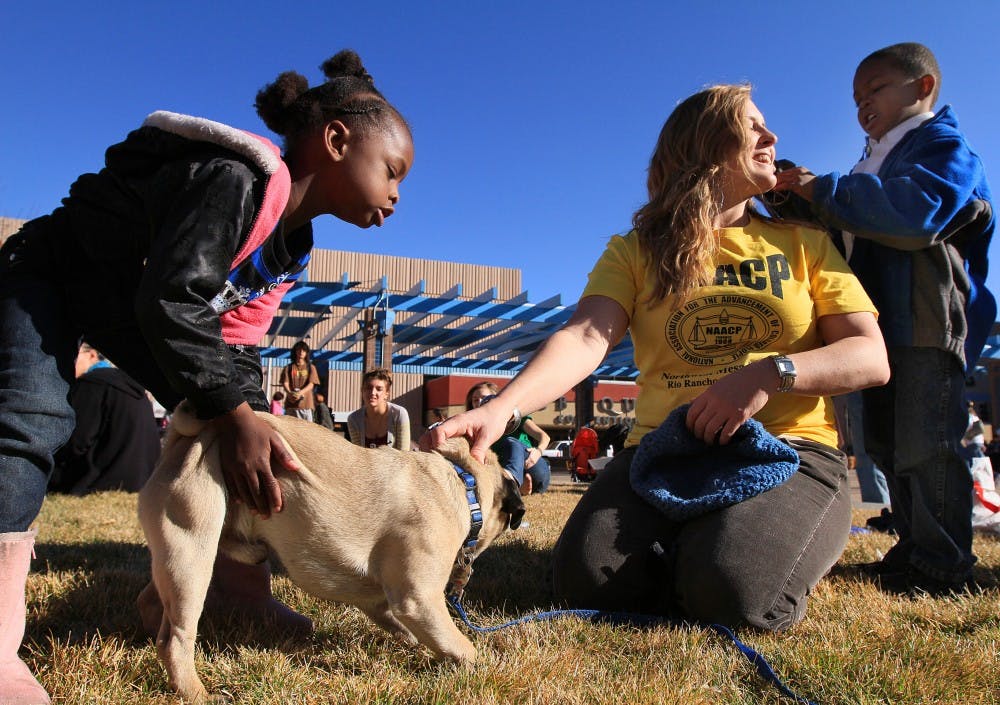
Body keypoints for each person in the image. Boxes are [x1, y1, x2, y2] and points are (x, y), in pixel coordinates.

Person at [0, 49, 413, 703]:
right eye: (393, 170)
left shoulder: (291, 242)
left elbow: (239, 339)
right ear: (336, 140)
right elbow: (171, 297)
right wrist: (237, 410)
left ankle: (234, 589)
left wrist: (248, 418)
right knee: (30, 419)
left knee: (244, 439)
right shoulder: (240, 178)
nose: (397, 193)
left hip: (128, 306)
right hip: (50, 273)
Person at [426, 84, 888, 630]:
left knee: (734, 594)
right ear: (706, 144)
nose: (773, 137)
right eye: (753, 125)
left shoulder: (804, 243)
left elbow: (870, 356)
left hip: (791, 448)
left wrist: (771, 373)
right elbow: (585, 338)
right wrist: (502, 408)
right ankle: (707, 541)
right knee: (586, 584)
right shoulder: (636, 250)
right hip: (663, 451)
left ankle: (742, 544)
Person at [774, 42, 995, 595]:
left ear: (922, 88)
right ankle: (912, 547)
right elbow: (846, 231)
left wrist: (821, 189)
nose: (862, 105)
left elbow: (914, 214)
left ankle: (944, 563)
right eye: (855, 98)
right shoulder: (868, 161)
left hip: (922, 321)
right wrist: (794, 201)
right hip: (875, 327)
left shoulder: (945, 147)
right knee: (889, 443)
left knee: (927, 441)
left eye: (875, 89)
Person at [49, 343, 161, 495]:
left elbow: (76, 440)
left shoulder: (93, 384)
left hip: (102, 480)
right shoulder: (130, 385)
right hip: (142, 479)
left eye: (73, 354)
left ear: (92, 355)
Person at [466, 382, 551, 495]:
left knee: (511, 443)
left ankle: (511, 484)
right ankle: (519, 487)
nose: (480, 402)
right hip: (501, 472)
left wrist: (538, 452)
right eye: (475, 400)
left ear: (497, 398)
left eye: (485, 398)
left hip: (533, 466)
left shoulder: (514, 417)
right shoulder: (475, 430)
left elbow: (544, 437)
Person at [347, 368, 411, 450]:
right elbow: (358, 455)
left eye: (379, 389)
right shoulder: (353, 419)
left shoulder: (399, 414)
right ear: (362, 391)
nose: (373, 393)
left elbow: (404, 455)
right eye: (368, 388)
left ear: (387, 393)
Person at [281, 341, 320, 421]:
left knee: (306, 430)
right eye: (299, 350)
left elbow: (311, 384)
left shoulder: (311, 367)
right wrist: (290, 393)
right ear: (295, 352)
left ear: (306, 353)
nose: (301, 352)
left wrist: (300, 393)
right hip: (291, 405)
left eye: (304, 350)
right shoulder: (288, 368)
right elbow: (285, 382)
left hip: (305, 404)